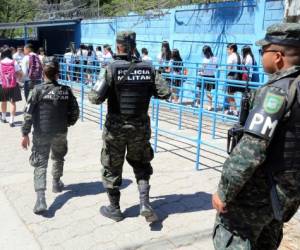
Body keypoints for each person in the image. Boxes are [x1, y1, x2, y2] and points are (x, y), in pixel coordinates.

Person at [212, 22, 300, 250]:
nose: (261, 56)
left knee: (231, 236)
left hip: (257, 195)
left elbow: (249, 152)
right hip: (286, 195)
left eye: (264, 52)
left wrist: (224, 191)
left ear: (278, 57)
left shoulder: (276, 92)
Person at [88, 31, 171, 222]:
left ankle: (115, 209)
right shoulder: (148, 68)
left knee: (112, 167)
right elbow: (165, 92)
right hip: (140, 129)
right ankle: (144, 204)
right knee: (141, 164)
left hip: (115, 130)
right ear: (134, 46)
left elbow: (95, 98)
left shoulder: (110, 68)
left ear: (118, 47)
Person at [21, 60, 79, 214]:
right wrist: (68, 123)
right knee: (58, 157)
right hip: (60, 131)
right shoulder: (66, 90)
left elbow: (28, 114)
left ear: (43, 74)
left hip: (42, 132)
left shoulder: (36, 90)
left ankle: (40, 199)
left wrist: (24, 133)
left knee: (40, 163)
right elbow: (75, 112)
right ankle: (56, 182)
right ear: (57, 74)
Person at [0, 46, 23, 126]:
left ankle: (3, 118)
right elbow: (21, 73)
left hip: (2, 84)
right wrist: (18, 80)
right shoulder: (14, 62)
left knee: (3, 101)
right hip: (13, 84)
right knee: (13, 103)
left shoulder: (0, 62)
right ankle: (12, 121)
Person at [197, 45, 218, 110]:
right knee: (208, 92)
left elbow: (202, 69)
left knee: (200, 91)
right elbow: (216, 67)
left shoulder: (205, 59)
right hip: (211, 76)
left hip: (204, 76)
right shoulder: (215, 58)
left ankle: (198, 103)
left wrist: (199, 72)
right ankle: (210, 106)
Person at [226, 43, 242, 116]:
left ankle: (234, 110)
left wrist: (228, 71)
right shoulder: (240, 56)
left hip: (232, 76)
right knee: (236, 93)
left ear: (231, 49)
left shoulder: (231, 56)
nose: (227, 51)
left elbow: (229, 67)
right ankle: (235, 110)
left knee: (230, 94)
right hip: (239, 76)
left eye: (228, 49)